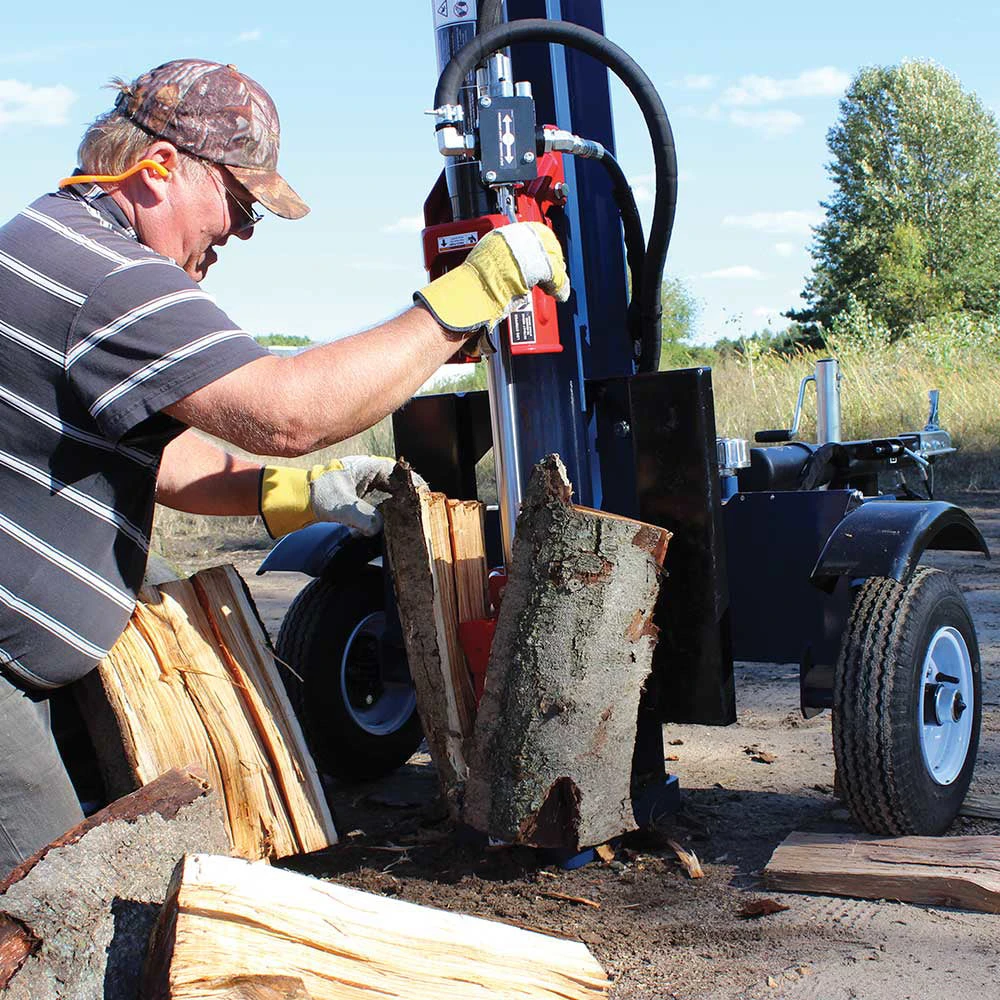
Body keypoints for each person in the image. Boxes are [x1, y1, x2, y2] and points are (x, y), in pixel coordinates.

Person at [0, 58, 569, 875]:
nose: (240, 232)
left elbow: (163, 459)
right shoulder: (108, 275)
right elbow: (286, 412)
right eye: (238, 202)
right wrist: (472, 294)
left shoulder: (57, 240)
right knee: (52, 908)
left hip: (22, 658)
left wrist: (297, 494)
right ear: (158, 168)